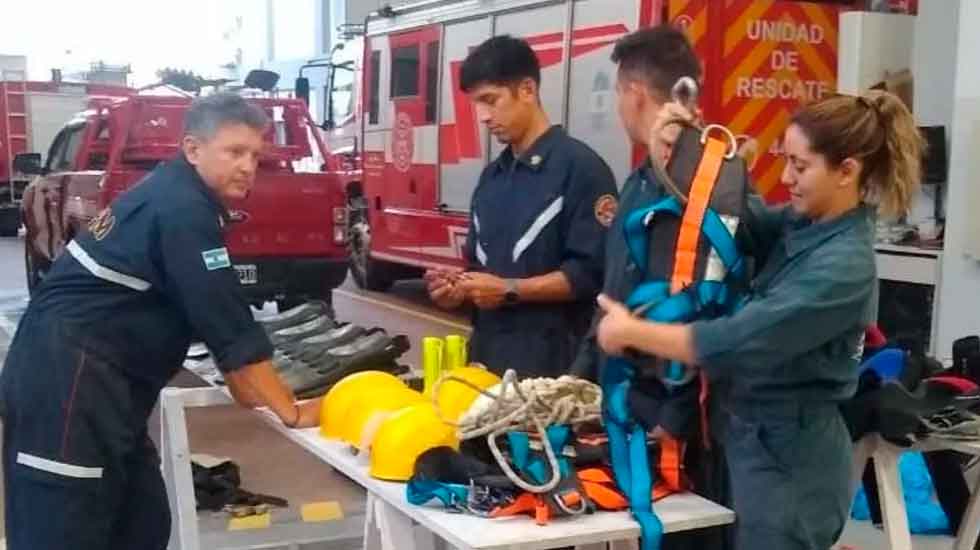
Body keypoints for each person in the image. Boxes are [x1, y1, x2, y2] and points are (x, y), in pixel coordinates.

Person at [595, 89, 924, 549]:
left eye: (800, 166)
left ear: (847, 171)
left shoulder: (842, 266)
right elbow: (733, 219)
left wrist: (631, 333)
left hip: (790, 468)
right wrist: (684, 151)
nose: (786, 177)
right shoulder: (804, 224)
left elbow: (735, 341)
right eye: (786, 161)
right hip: (747, 441)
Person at [0, 93, 322, 550]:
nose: (249, 165)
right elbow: (226, 319)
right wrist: (289, 410)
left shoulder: (182, 196)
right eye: (234, 152)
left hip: (113, 385)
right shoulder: (181, 208)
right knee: (63, 521)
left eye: (255, 154)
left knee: (141, 519)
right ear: (192, 149)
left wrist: (250, 389)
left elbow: (218, 325)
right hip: (67, 382)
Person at [425, 35, 617, 377]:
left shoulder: (582, 170)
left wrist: (510, 290)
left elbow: (590, 275)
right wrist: (457, 291)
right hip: (486, 363)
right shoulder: (491, 179)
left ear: (527, 90)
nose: (483, 116)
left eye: (490, 100)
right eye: (476, 104)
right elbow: (478, 267)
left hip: (554, 369)